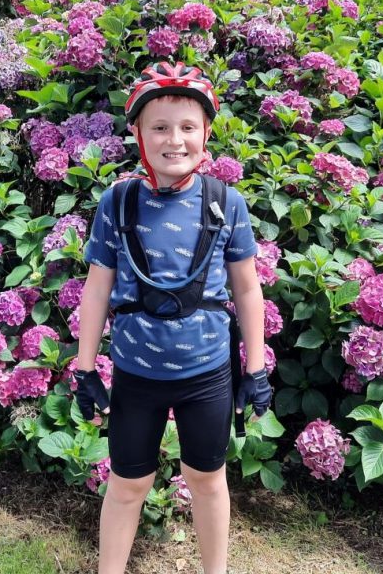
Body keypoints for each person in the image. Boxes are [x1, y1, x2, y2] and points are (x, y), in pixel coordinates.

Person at [74, 61, 272, 574]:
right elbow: (96, 290)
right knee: (127, 484)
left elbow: (247, 288)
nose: (174, 140)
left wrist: (255, 369)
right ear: (138, 134)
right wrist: (84, 368)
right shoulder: (118, 203)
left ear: (206, 133)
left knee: (207, 479)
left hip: (206, 375)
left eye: (188, 127)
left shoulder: (226, 203)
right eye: (159, 127)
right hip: (136, 376)